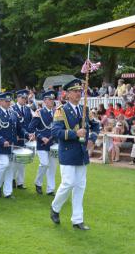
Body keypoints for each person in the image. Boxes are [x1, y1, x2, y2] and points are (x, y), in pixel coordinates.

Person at [50, 78, 100, 230]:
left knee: (80, 186)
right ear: (68, 94)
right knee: (68, 183)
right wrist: (75, 133)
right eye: (76, 91)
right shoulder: (61, 111)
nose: (79, 93)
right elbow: (55, 131)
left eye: (80, 91)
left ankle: (77, 220)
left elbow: (96, 125)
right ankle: (55, 207)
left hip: (81, 152)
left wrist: (91, 138)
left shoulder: (85, 109)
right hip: (67, 152)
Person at [0, 92, 33, 199]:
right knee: (4, 164)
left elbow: (19, 129)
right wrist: (1, 140)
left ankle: (8, 192)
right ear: (1, 101)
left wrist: (27, 134)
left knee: (11, 168)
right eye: (6, 101)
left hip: (13, 145)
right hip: (2, 145)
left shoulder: (13, 113)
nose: (8, 103)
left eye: (9, 101)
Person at [29, 90, 57, 196]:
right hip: (42, 144)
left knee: (53, 167)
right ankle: (38, 183)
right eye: (50, 99)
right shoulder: (39, 112)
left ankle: (50, 189)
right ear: (45, 101)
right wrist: (41, 137)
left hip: (53, 143)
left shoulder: (56, 112)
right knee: (44, 164)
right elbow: (31, 128)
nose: (52, 101)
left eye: (53, 99)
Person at [11, 89, 33, 189]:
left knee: (23, 161)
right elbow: (12, 124)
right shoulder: (12, 108)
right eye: (22, 98)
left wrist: (30, 134)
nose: (24, 100)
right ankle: (11, 179)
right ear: (18, 98)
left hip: (25, 138)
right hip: (16, 138)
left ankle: (20, 182)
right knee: (14, 161)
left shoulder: (28, 109)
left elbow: (29, 123)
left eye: (25, 98)